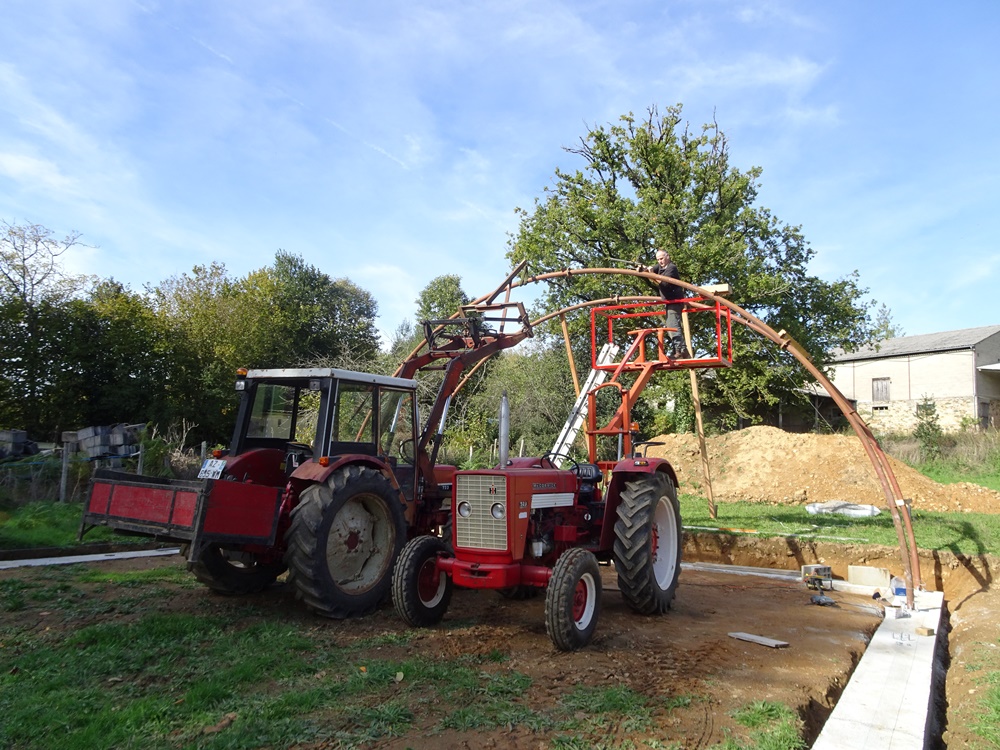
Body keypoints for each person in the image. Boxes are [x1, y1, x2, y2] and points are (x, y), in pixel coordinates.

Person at [642, 249, 688, 358]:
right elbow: (652, 269)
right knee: (670, 324)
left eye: (661, 258)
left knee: (672, 324)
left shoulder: (671, 268)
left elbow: (664, 284)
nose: (660, 261)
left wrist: (651, 274)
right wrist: (644, 269)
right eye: (658, 259)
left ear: (668, 257)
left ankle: (680, 350)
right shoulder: (660, 267)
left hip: (675, 300)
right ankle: (681, 350)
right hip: (669, 301)